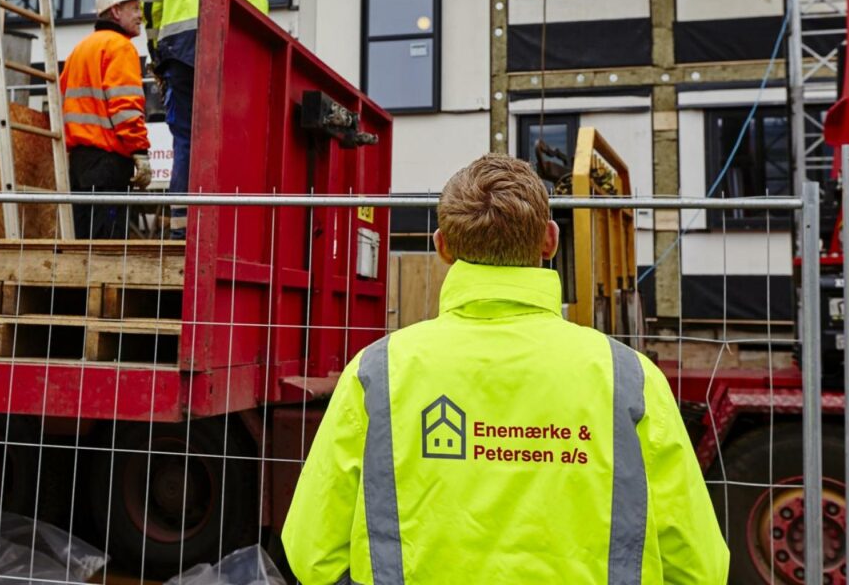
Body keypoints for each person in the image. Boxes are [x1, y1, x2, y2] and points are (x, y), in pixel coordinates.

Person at [282, 154, 728, 584]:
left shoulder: (376, 374)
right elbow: (699, 566)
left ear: (442, 246)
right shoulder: (630, 378)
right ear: (550, 240)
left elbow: (310, 551)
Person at [140, 0, 270, 238]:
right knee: (235, 137)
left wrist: (156, 56)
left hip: (185, 49)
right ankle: (234, 228)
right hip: (244, 56)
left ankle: (185, 230)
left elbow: (151, 2)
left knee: (187, 135)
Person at [60, 0, 152, 239]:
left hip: (80, 162)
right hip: (108, 163)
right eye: (134, 8)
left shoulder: (79, 50)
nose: (139, 16)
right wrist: (139, 150)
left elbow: (62, 101)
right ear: (115, 11)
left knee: (84, 240)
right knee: (108, 246)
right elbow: (125, 107)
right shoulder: (121, 47)